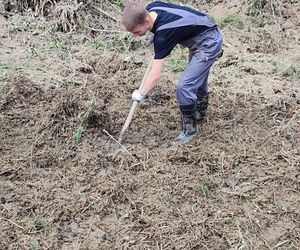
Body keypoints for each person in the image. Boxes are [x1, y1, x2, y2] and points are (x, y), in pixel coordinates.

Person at [122, 1, 223, 144]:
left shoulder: (164, 34)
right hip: (200, 31)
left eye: (137, 32)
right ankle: (200, 111)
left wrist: (141, 93)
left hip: (208, 42)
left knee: (185, 86)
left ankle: (189, 130)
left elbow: (155, 75)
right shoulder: (152, 8)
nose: (135, 35)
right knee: (196, 80)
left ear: (146, 21)